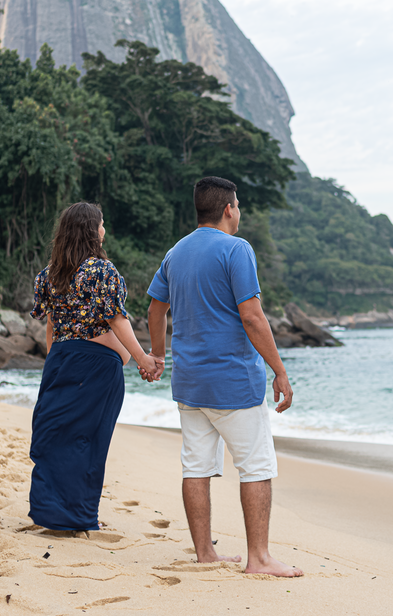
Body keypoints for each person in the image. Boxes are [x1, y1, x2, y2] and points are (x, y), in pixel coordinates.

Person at [146, 176, 302, 578]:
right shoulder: (237, 249)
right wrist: (280, 371)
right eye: (239, 205)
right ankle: (259, 559)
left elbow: (155, 310)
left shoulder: (175, 252)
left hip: (190, 382)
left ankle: (205, 554)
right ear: (229, 208)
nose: (240, 212)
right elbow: (251, 316)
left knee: (196, 466)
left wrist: (159, 355)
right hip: (233, 381)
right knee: (256, 466)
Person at [28, 202, 158, 532]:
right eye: (101, 224)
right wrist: (143, 359)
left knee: (56, 435)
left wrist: (52, 361)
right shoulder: (102, 272)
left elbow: (51, 325)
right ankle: (76, 515)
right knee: (87, 441)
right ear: (90, 230)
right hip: (96, 371)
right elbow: (117, 318)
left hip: (61, 362)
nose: (104, 230)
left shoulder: (49, 275)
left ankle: (56, 512)